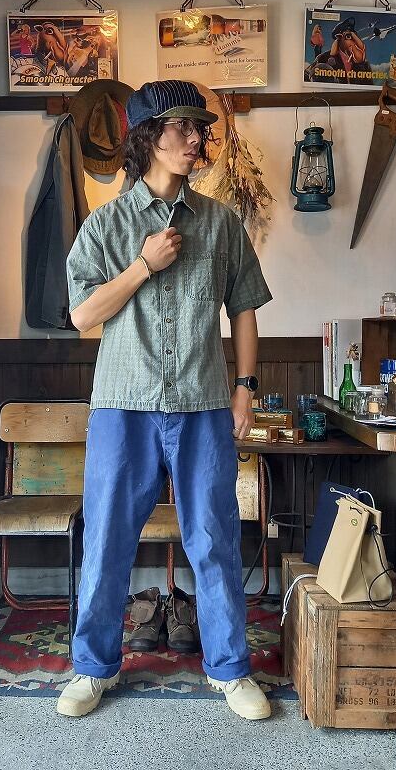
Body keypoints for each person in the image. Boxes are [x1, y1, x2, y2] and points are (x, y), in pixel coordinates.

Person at [61, 80, 273, 720]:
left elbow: (244, 310)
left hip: (203, 401)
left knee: (214, 537)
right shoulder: (107, 225)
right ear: (149, 137)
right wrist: (143, 266)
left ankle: (230, 669)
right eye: (183, 127)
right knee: (107, 538)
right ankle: (93, 667)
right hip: (122, 403)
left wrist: (244, 389)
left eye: (200, 128)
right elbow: (82, 315)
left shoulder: (221, 223)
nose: (196, 139)